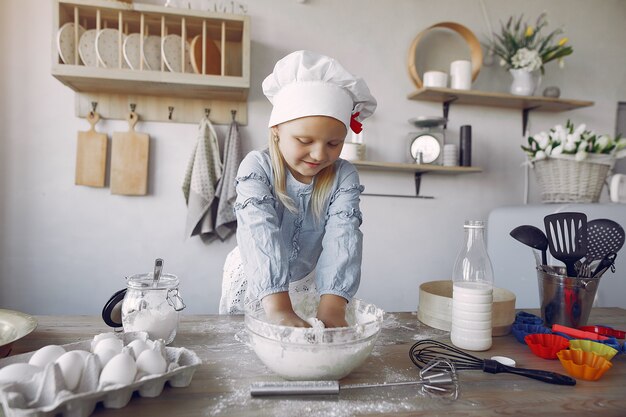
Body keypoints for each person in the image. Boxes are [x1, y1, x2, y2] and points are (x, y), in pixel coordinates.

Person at [221, 50, 376, 328]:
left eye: (333, 144)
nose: (318, 155)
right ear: (277, 129)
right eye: (305, 140)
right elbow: (259, 232)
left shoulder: (343, 175)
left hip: (314, 285)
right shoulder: (256, 167)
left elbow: (343, 237)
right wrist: (279, 309)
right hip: (258, 282)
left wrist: (332, 309)